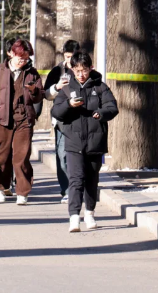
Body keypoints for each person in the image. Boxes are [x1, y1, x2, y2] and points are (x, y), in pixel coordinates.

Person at [51, 50, 118, 232]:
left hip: (95, 141)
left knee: (91, 179)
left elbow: (112, 107)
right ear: (72, 69)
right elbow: (56, 112)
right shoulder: (67, 88)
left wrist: (101, 113)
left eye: (84, 70)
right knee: (76, 179)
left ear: (91, 68)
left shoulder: (100, 87)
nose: (81, 74)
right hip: (73, 141)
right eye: (77, 70)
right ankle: (74, 217)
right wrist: (68, 105)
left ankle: (89, 213)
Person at [0, 39, 44, 205]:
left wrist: (34, 91)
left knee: (21, 157)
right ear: (11, 53)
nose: (22, 61)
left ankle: (22, 192)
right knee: (1, 156)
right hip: (3, 118)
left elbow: (39, 96)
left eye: (26, 58)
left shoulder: (32, 73)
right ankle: (0, 186)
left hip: (24, 118)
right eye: (20, 58)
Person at [43, 39, 81, 203]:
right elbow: (45, 94)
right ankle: (66, 190)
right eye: (67, 56)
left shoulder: (84, 69)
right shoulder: (57, 71)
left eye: (72, 56)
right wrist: (57, 87)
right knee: (62, 154)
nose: (69, 60)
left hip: (81, 118)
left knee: (80, 156)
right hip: (62, 120)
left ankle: (79, 188)